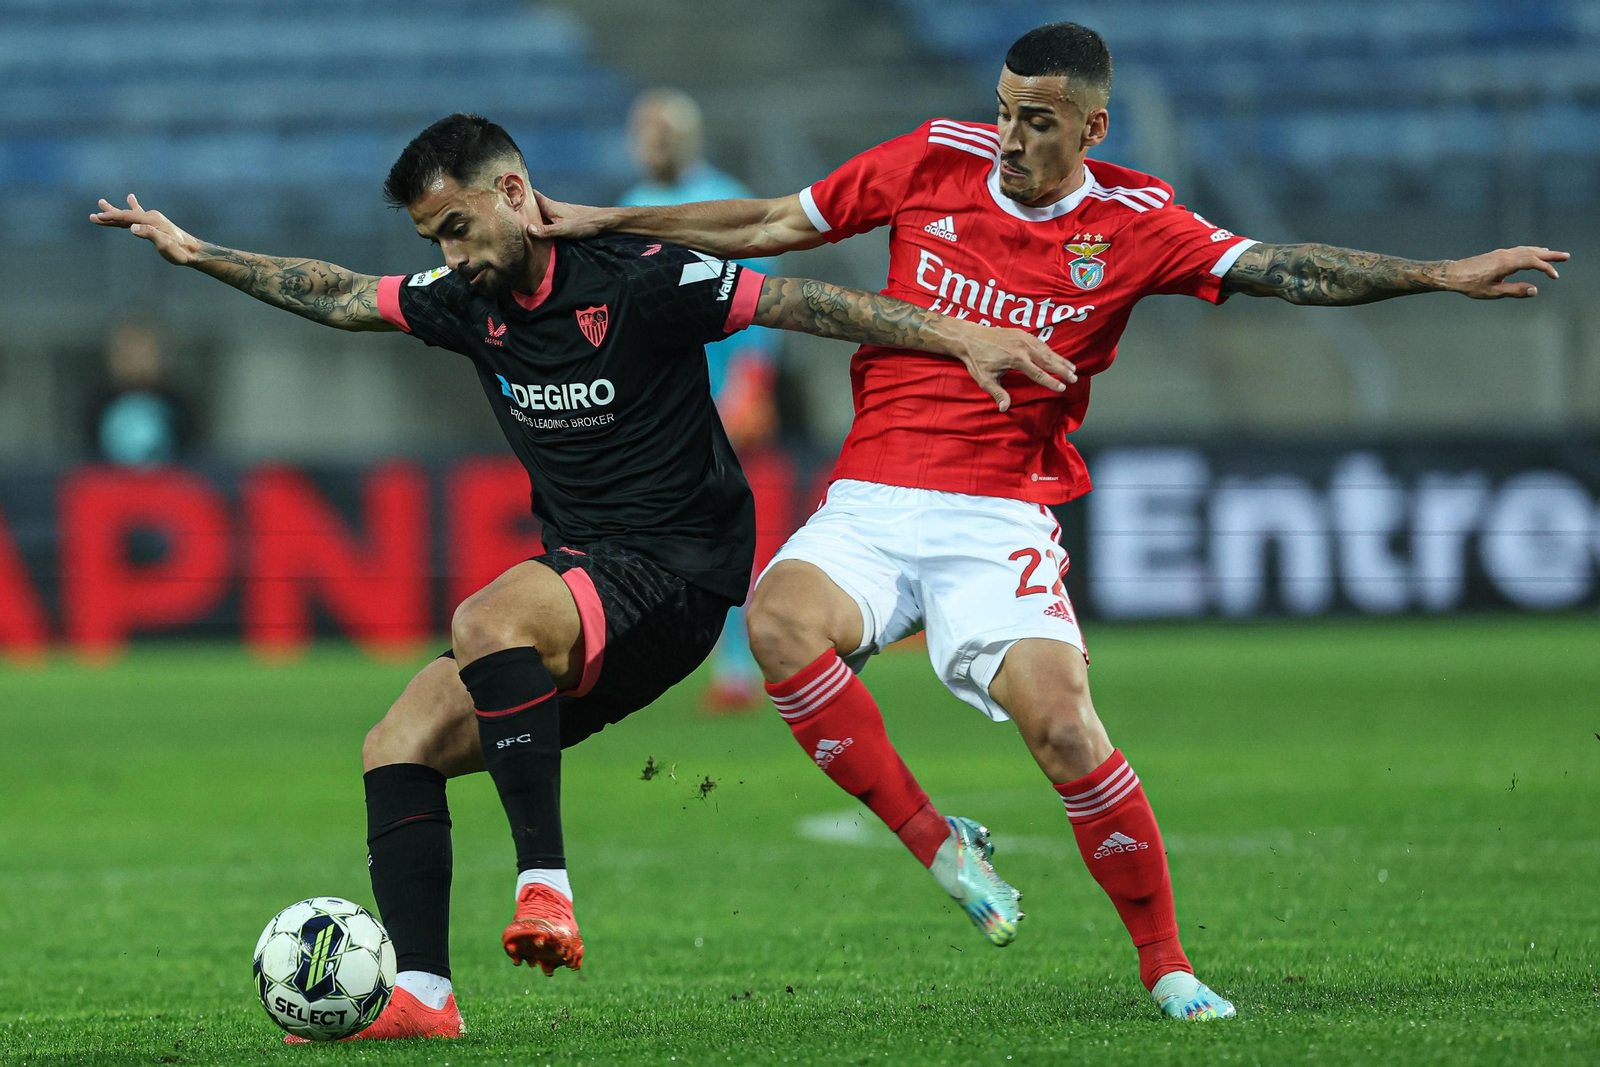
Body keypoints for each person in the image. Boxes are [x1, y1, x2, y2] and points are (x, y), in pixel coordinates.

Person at [530, 22, 1569, 1022]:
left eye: (1037, 121)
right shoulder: (932, 159)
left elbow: (1280, 269)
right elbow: (770, 222)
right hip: (875, 496)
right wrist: (603, 221)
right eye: (1004, 112)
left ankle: (1167, 966)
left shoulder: (1134, 222)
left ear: (1091, 128)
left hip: (999, 514)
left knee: (1066, 727)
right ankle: (939, 842)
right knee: (777, 622)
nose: (1011, 139)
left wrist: (1437, 275)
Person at [91, 112, 1072, 1042]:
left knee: (486, 619)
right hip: (586, 579)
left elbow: (807, 303)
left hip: (680, 569)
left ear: (514, 193)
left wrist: (961, 335)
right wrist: (198, 252)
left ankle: (545, 887)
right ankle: (425, 993)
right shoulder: (467, 301)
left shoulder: (640, 276)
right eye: (433, 239)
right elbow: (341, 295)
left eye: (458, 227)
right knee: (397, 741)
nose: (449, 256)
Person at [620, 88, 782, 713]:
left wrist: (752, 381)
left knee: (725, 529)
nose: (652, 144)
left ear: (687, 138)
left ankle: (737, 667)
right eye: (645, 132)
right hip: (657, 404)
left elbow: (758, 297)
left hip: (719, 395)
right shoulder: (629, 205)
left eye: (662, 133)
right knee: (652, 531)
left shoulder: (723, 198)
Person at [84, 321, 195, 465]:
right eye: (129, 353)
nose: (137, 361)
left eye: (144, 352)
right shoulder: (98, 405)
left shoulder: (177, 405)